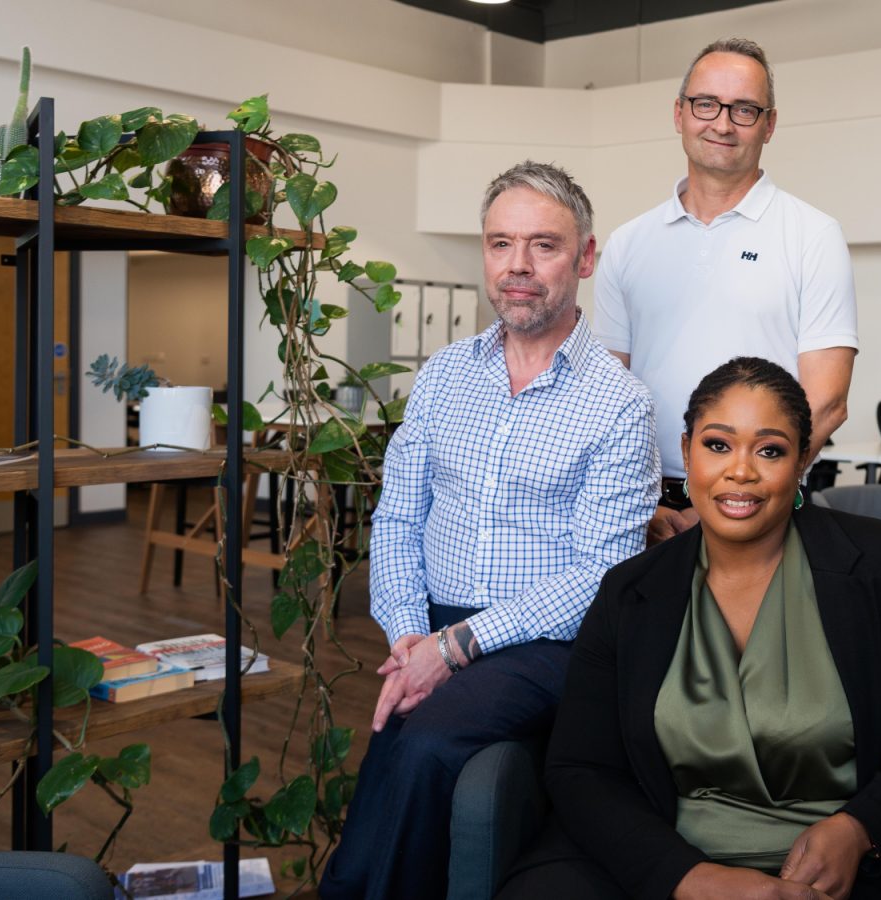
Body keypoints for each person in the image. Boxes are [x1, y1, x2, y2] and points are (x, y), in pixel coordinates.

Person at [499, 358, 881, 900]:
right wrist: (691, 878)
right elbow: (581, 767)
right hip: (665, 863)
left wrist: (860, 828)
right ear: (687, 448)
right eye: (718, 445)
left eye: (770, 450)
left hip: (830, 876)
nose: (740, 471)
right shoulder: (629, 590)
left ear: (802, 460)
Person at [320, 161, 661, 900]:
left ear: (586, 258)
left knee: (431, 740)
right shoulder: (443, 376)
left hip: (549, 642)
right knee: (396, 734)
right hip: (436, 622)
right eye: (500, 244)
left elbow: (599, 577)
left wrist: (455, 647)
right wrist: (411, 634)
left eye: (543, 245)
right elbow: (401, 514)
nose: (518, 267)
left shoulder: (619, 404)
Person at [593, 37, 859, 544]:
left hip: (758, 506)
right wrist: (637, 500)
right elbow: (607, 393)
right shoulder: (628, 243)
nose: (721, 123)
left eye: (744, 109)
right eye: (706, 104)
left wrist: (732, 496)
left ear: (769, 125)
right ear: (679, 113)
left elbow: (827, 401)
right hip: (644, 511)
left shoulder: (812, 235)